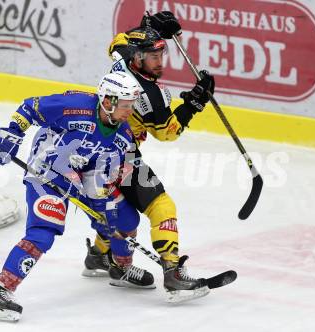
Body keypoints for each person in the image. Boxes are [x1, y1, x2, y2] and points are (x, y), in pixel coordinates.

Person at [0, 71, 156, 322]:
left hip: (80, 177)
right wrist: (12, 136)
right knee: (43, 231)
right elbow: (30, 107)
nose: (130, 111)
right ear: (108, 101)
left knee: (125, 219)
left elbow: (101, 173)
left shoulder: (123, 135)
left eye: (132, 105)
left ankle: (121, 268)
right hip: (45, 172)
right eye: (126, 106)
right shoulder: (76, 106)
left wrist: (102, 210)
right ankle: (0, 292)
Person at [83, 12, 215, 298]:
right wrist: (194, 103)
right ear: (138, 58)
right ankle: (172, 272)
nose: (160, 63)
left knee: (117, 213)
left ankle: (98, 255)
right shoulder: (150, 95)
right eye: (153, 57)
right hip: (118, 158)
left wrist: (149, 29)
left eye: (161, 55)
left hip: (92, 152)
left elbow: (118, 41)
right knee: (162, 207)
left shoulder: (121, 56)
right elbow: (167, 132)